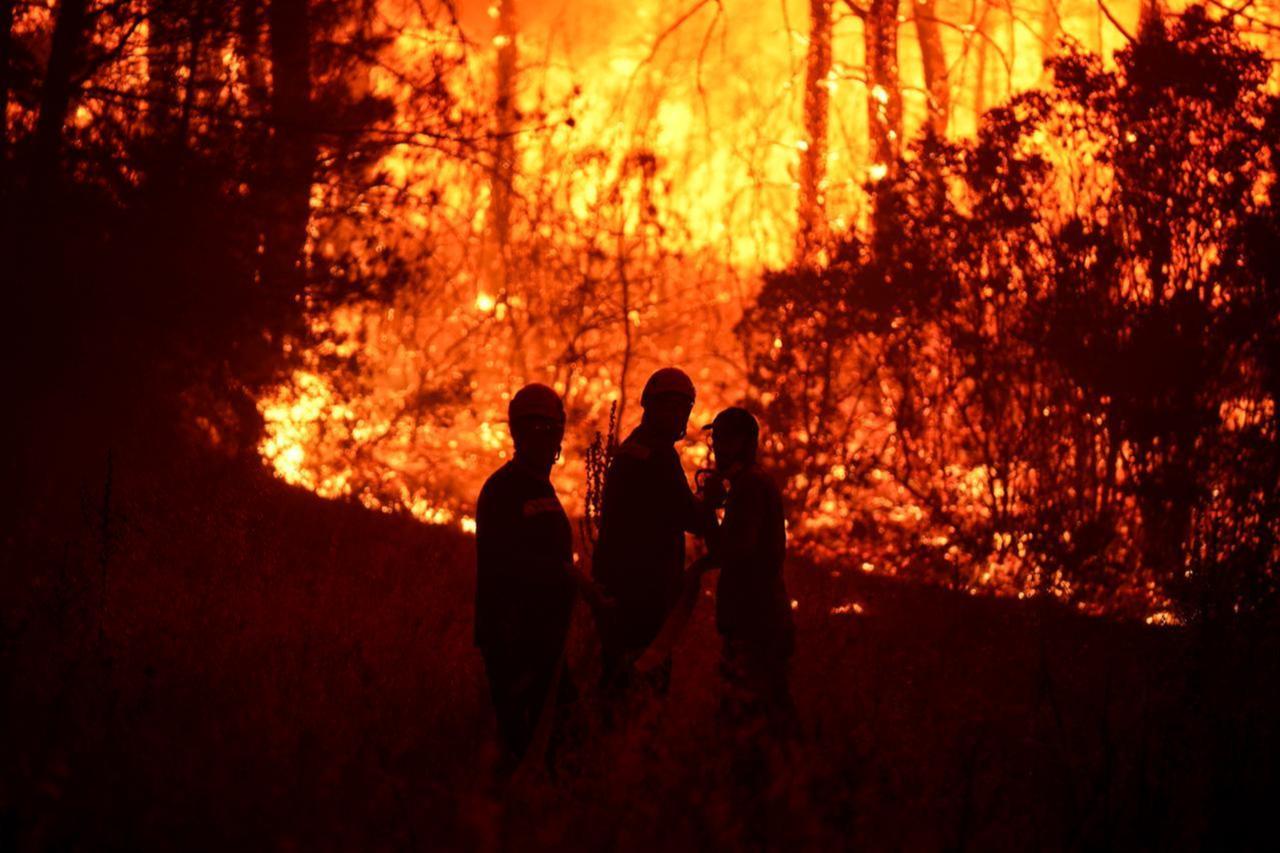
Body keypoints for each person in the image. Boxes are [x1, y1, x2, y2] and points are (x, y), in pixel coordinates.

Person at [474, 383, 609, 775]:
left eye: (549, 428)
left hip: (544, 642)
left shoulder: (540, 487)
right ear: (517, 432)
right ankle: (501, 820)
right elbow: (516, 563)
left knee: (561, 744)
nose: (543, 436)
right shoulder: (503, 489)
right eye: (533, 427)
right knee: (528, 747)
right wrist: (579, 584)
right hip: (514, 640)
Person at [592, 367, 717, 700]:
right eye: (671, 407)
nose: (677, 415)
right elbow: (689, 516)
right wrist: (713, 498)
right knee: (642, 691)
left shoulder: (633, 447)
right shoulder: (658, 457)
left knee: (617, 683)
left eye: (682, 408)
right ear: (652, 407)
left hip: (620, 590)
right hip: (643, 598)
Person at [697, 406, 795, 732]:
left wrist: (709, 511)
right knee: (763, 714)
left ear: (746, 443)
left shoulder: (749, 487)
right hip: (760, 618)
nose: (717, 447)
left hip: (755, 622)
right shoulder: (751, 483)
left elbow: (734, 551)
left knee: (749, 718)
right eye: (716, 439)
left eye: (726, 440)